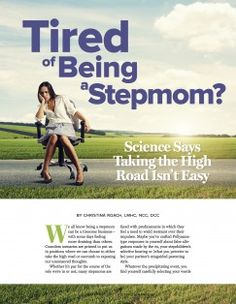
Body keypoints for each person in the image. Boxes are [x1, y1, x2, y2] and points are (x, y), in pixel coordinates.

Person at [35, 81, 90, 185]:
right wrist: (43, 103)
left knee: (62, 138)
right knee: (54, 137)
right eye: (41, 93)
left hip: (66, 126)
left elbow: (73, 111)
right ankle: (46, 170)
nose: (44, 95)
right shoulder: (42, 105)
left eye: (46, 92)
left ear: (50, 91)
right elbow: (39, 118)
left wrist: (86, 120)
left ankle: (79, 170)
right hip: (52, 128)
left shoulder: (61, 98)